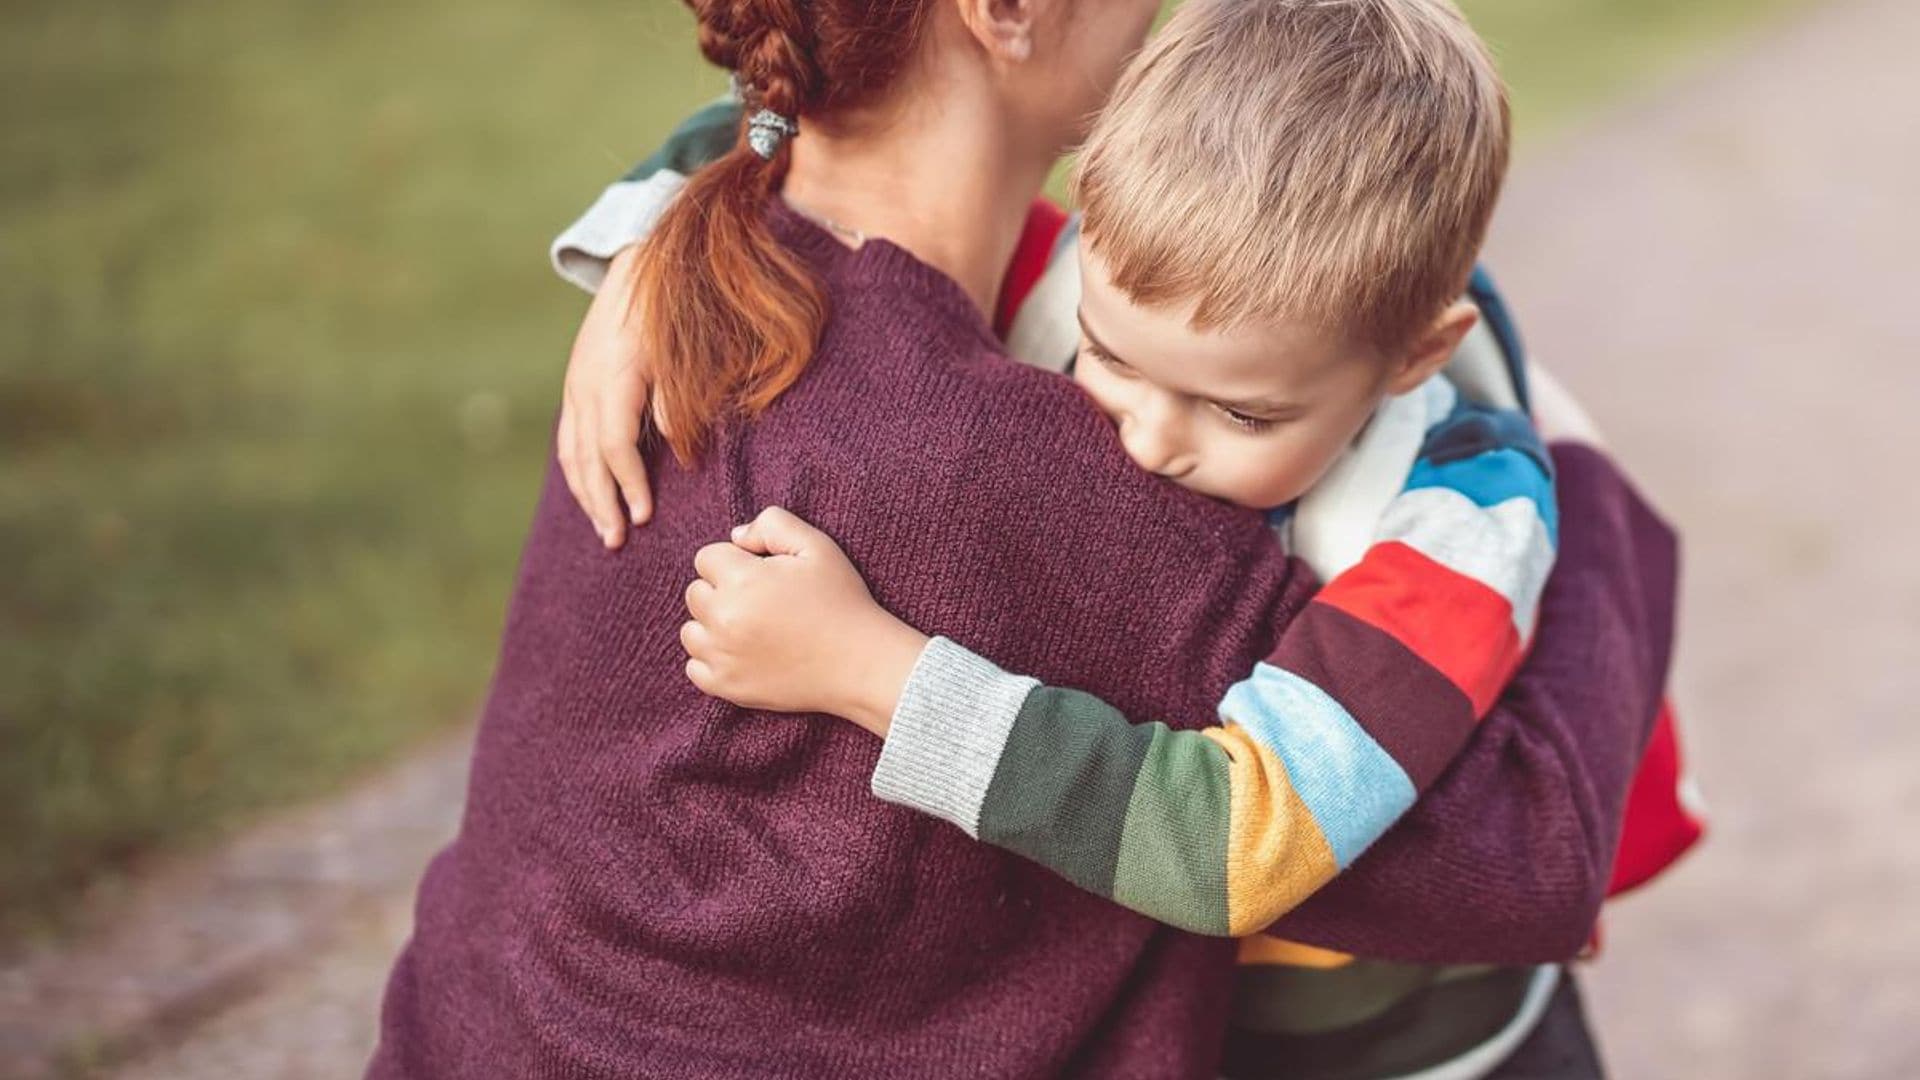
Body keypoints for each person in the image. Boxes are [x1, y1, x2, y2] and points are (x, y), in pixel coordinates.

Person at [371, 0, 1677, 1076]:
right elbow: (1529, 851)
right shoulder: (1025, 476)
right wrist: (1565, 467)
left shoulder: (703, 275)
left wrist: (670, 200)